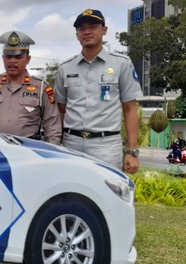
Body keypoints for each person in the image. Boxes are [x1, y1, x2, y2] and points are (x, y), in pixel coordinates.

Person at [53, 9, 143, 173]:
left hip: (107, 146)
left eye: (93, 26)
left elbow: (130, 109)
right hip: (71, 144)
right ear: (77, 34)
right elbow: (60, 110)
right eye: (81, 28)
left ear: (104, 30)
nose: (87, 32)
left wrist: (132, 151)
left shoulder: (121, 64)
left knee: (108, 194)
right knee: (71, 192)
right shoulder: (65, 68)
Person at [0, 31, 62, 146]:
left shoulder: (41, 88)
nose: (13, 61)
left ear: (28, 59)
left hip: (28, 151)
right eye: (9, 56)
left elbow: (52, 126)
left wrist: (52, 154)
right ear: (3, 58)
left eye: (18, 57)